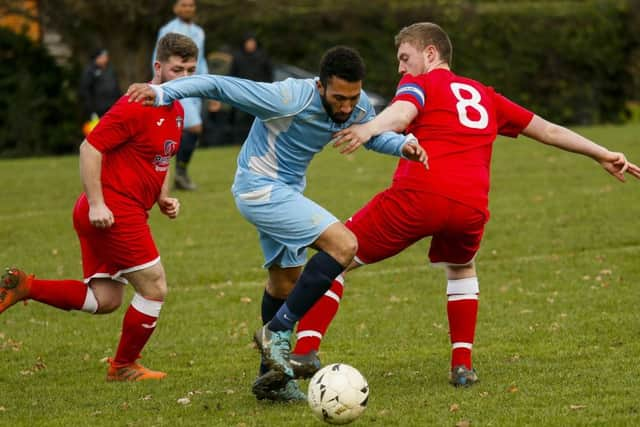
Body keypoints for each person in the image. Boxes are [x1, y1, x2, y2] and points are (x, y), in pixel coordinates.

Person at [288, 22, 640, 387]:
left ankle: (305, 350)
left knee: (336, 255)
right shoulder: (484, 94)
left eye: (404, 58)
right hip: (471, 207)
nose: (400, 68)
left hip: (420, 194)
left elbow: (403, 113)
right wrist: (601, 153)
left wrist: (369, 128)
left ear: (430, 54)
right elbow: (548, 130)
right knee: (461, 268)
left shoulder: (420, 83)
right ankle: (462, 366)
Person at [126, 45, 428, 401]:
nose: (346, 107)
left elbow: (370, 133)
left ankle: (272, 381)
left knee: (284, 284)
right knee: (344, 245)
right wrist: (163, 91)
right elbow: (219, 86)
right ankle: (278, 332)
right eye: (338, 98)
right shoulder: (288, 97)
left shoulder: (356, 105)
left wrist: (402, 145)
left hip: (287, 192)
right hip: (258, 188)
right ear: (320, 86)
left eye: (352, 98)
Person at [0, 33, 199, 382]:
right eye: (177, 69)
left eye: (190, 71)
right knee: (154, 287)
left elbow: (161, 159)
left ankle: (26, 287)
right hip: (111, 212)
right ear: (158, 67)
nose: (184, 78)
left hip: (124, 210)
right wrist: (97, 204)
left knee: (105, 299)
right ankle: (123, 366)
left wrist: (162, 197)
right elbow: (89, 149)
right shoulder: (136, 103)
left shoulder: (177, 109)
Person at [153, 0, 208, 190]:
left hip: (195, 88)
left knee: (182, 131)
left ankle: (177, 173)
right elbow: (157, 59)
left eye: (191, 5)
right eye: (183, 5)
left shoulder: (199, 32)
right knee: (194, 128)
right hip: (176, 88)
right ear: (176, 8)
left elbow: (202, 62)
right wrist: (161, 87)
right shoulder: (167, 30)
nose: (187, 8)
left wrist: (210, 89)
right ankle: (178, 173)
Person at [229, 32, 273, 144]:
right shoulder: (238, 57)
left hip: (260, 92)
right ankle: (239, 141)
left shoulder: (263, 56)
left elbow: (269, 74)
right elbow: (233, 75)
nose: (250, 45)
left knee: (258, 118)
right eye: (248, 43)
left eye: (252, 42)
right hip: (242, 93)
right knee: (241, 119)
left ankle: (260, 140)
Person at [79, 48, 121, 121]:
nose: (106, 58)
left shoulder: (110, 69)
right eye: (103, 57)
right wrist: (91, 110)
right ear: (97, 58)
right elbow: (85, 90)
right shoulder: (90, 70)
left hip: (111, 106)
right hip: (97, 109)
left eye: (106, 56)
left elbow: (116, 87)